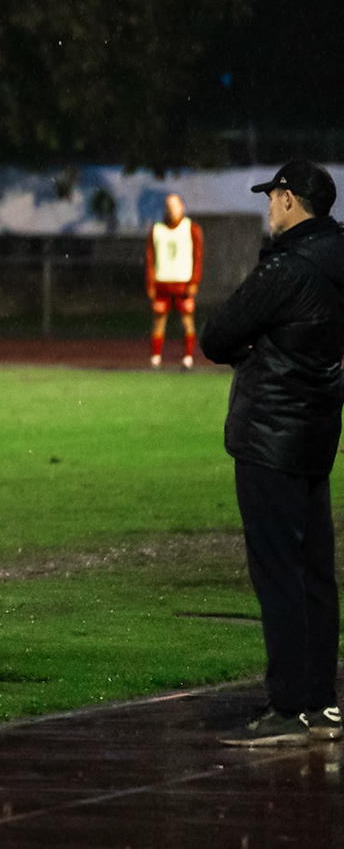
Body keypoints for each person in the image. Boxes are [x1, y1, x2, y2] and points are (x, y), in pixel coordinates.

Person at [200, 159, 344, 747]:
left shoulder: (286, 267)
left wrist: (256, 349)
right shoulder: (337, 258)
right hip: (317, 433)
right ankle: (321, 701)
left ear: (288, 200)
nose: (269, 208)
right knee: (316, 573)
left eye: (272, 197)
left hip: (269, 435)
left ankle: (287, 706)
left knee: (278, 573)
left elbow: (216, 337)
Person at [146, 193, 205, 369]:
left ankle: (188, 356)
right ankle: (156, 356)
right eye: (168, 206)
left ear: (182, 207)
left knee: (187, 320)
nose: (171, 210)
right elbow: (150, 259)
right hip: (162, 282)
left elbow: (198, 257)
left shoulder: (191, 228)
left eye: (175, 206)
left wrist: (195, 281)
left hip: (183, 282)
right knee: (159, 321)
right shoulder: (156, 229)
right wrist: (150, 283)